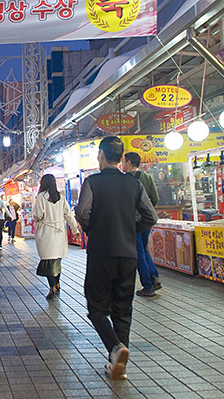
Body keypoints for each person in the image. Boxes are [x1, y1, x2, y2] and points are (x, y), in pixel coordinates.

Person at [75, 136, 158, 381]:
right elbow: (150, 216)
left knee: (96, 307)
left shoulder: (92, 182)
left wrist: (95, 229)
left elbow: (82, 212)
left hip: (101, 253)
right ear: (121, 158)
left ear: (101, 155)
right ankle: (118, 364)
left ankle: (114, 348)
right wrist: (131, 228)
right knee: (123, 309)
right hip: (128, 254)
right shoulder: (134, 184)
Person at [33, 173, 79, 300]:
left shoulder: (41, 197)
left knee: (48, 261)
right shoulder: (61, 197)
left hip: (46, 232)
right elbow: (69, 215)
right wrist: (75, 229)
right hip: (59, 232)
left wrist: (36, 218)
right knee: (57, 261)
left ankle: (53, 286)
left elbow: (37, 215)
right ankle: (57, 284)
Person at [122, 152, 162, 297]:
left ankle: (148, 286)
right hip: (146, 221)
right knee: (144, 250)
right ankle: (154, 276)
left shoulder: (125, 180)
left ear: (130, 163)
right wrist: (146, 210)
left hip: (133, 221)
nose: (122, 165)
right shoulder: (147, 177)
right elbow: (155, 198)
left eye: (124, 162)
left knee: (139, 253)